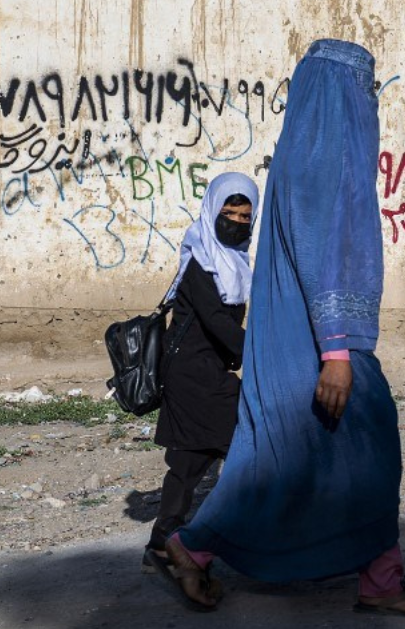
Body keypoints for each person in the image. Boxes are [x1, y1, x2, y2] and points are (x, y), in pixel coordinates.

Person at [161, 39, 405, 617]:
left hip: (300, 343)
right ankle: (378, 580)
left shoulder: (302, 156)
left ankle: (195, 548)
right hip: (321, 344)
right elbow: (322, 258)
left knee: (282, 460)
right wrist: (337, 352)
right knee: (368, 448)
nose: (367, 104)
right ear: (336, 98)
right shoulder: (324, 162)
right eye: (360, 91)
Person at [142, 172, 259, 575]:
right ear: (212, 210)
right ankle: (232, 539)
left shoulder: (234, 260)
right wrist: (261, 354)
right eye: (229, 213)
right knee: (247, 446)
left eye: (245, 216)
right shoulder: (202, 260)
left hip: (206, 370)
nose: (237, 222)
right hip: (193, 374)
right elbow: (215, 321)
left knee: (193, 457)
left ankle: (162, 543)